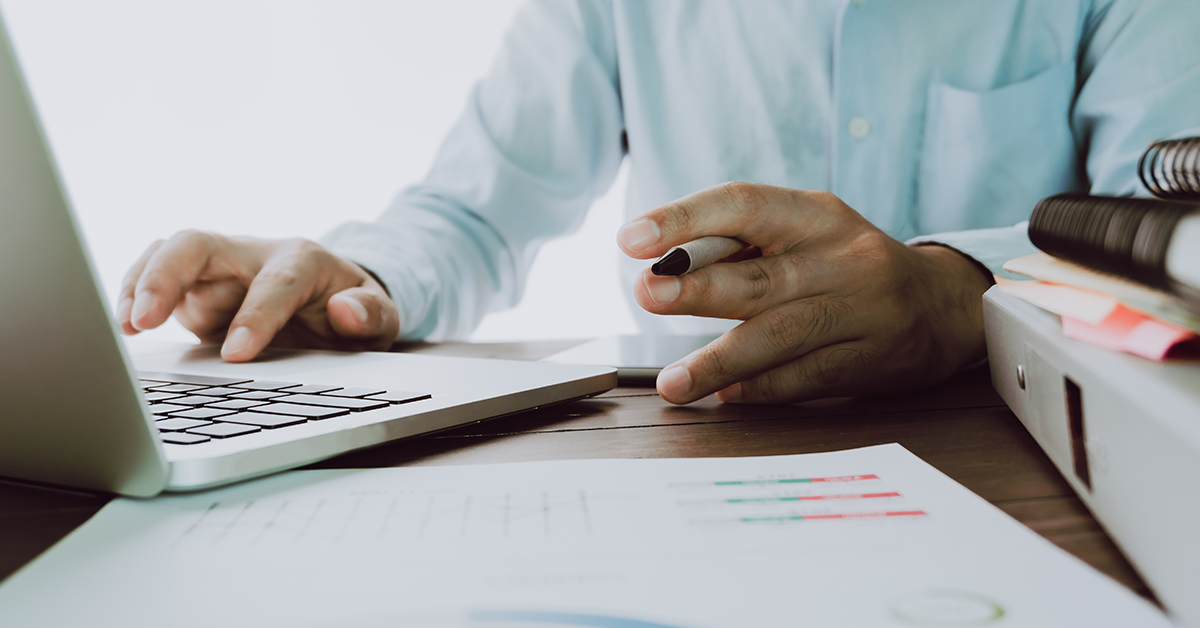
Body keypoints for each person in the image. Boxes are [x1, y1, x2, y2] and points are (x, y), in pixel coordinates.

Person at [117, 1, 1200, 405]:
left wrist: (960, 287)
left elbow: (1164, 246)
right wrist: (365, 279)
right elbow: (475, 209)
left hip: (1025, 445)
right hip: (691, 438)